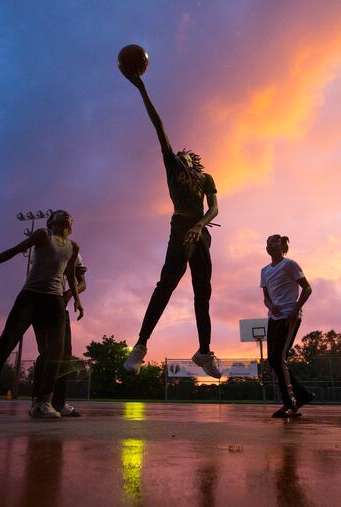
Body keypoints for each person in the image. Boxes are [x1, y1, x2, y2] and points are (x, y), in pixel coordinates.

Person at [121, 70, 221, 378]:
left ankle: (204, 352)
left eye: (183, 158)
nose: (179, 159)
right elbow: (159, 126)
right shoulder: (171, 166)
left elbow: (215, 209)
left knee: (203, 293)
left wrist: (199, 225)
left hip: (201, 232)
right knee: (166, 285)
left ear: (193, 160)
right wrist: (142, 89)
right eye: (175, 158)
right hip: (180, 228)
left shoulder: (205, 177)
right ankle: (140, 345)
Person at [0, 210, 83, 419]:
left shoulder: (73, 247)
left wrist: (77, 299)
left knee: (56, 352)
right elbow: (14, 251)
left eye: (69, 215)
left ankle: (42, 403)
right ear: (51, 221)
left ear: (71, 225)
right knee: (6, 342)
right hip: (30, 297)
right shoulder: (43, 235)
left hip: (55, 302)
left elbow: (70, 274)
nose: (66, 214)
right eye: (60, 214)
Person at [260, 234, 314, 418]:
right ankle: (301, 396)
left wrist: (295, 309)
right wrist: (270, 306)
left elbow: (307, 288)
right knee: (272, 359)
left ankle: (290, 403)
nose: (269, 244)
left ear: (282, 246)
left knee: (279, 356)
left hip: (289, 316)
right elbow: (266, 297)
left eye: (273, 241)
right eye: (267, 242)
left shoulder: (290, 264)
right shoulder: (264, 271)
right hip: (273, 317)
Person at [45, 254, 87, 417]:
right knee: (47, 353)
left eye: (69, 225)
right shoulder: (44, 246)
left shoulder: (75, 253)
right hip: (44, 301)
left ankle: (59, 403)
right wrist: (68, 270)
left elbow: (83, 283)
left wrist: (70, 294)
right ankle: (40, 400)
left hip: (62, 306)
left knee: (65, 355)